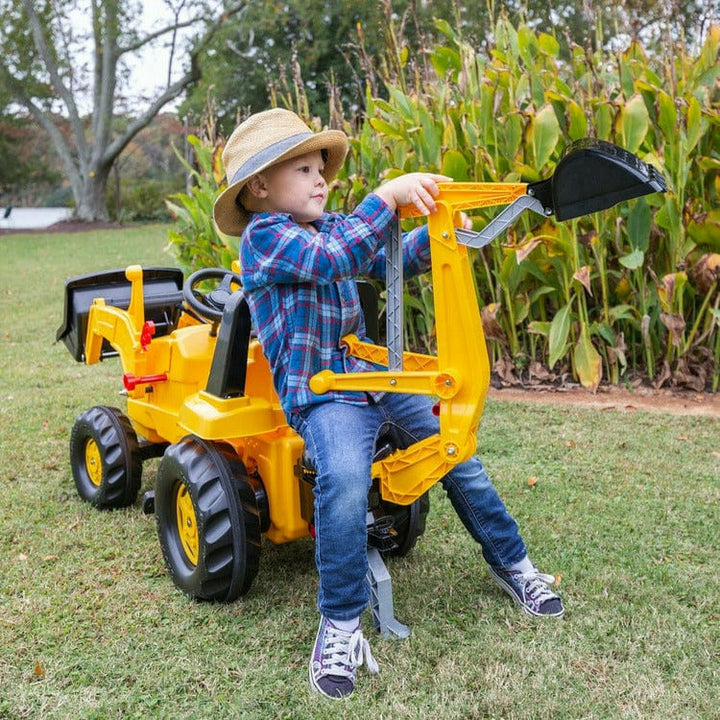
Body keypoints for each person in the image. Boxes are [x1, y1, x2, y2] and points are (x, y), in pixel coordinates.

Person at [213, 108, 564, 700]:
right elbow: (338, 259)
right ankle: (341, 624)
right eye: (304, 170)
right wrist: (385, 197)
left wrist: (445, 227)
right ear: (260, 187)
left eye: (321, 168)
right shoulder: (265, 239)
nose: (321, 179)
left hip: (377, 377)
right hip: (325, 396)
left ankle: (515, 566)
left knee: (456, 450)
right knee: (345, 479)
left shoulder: (332, 227)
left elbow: (387, 256)